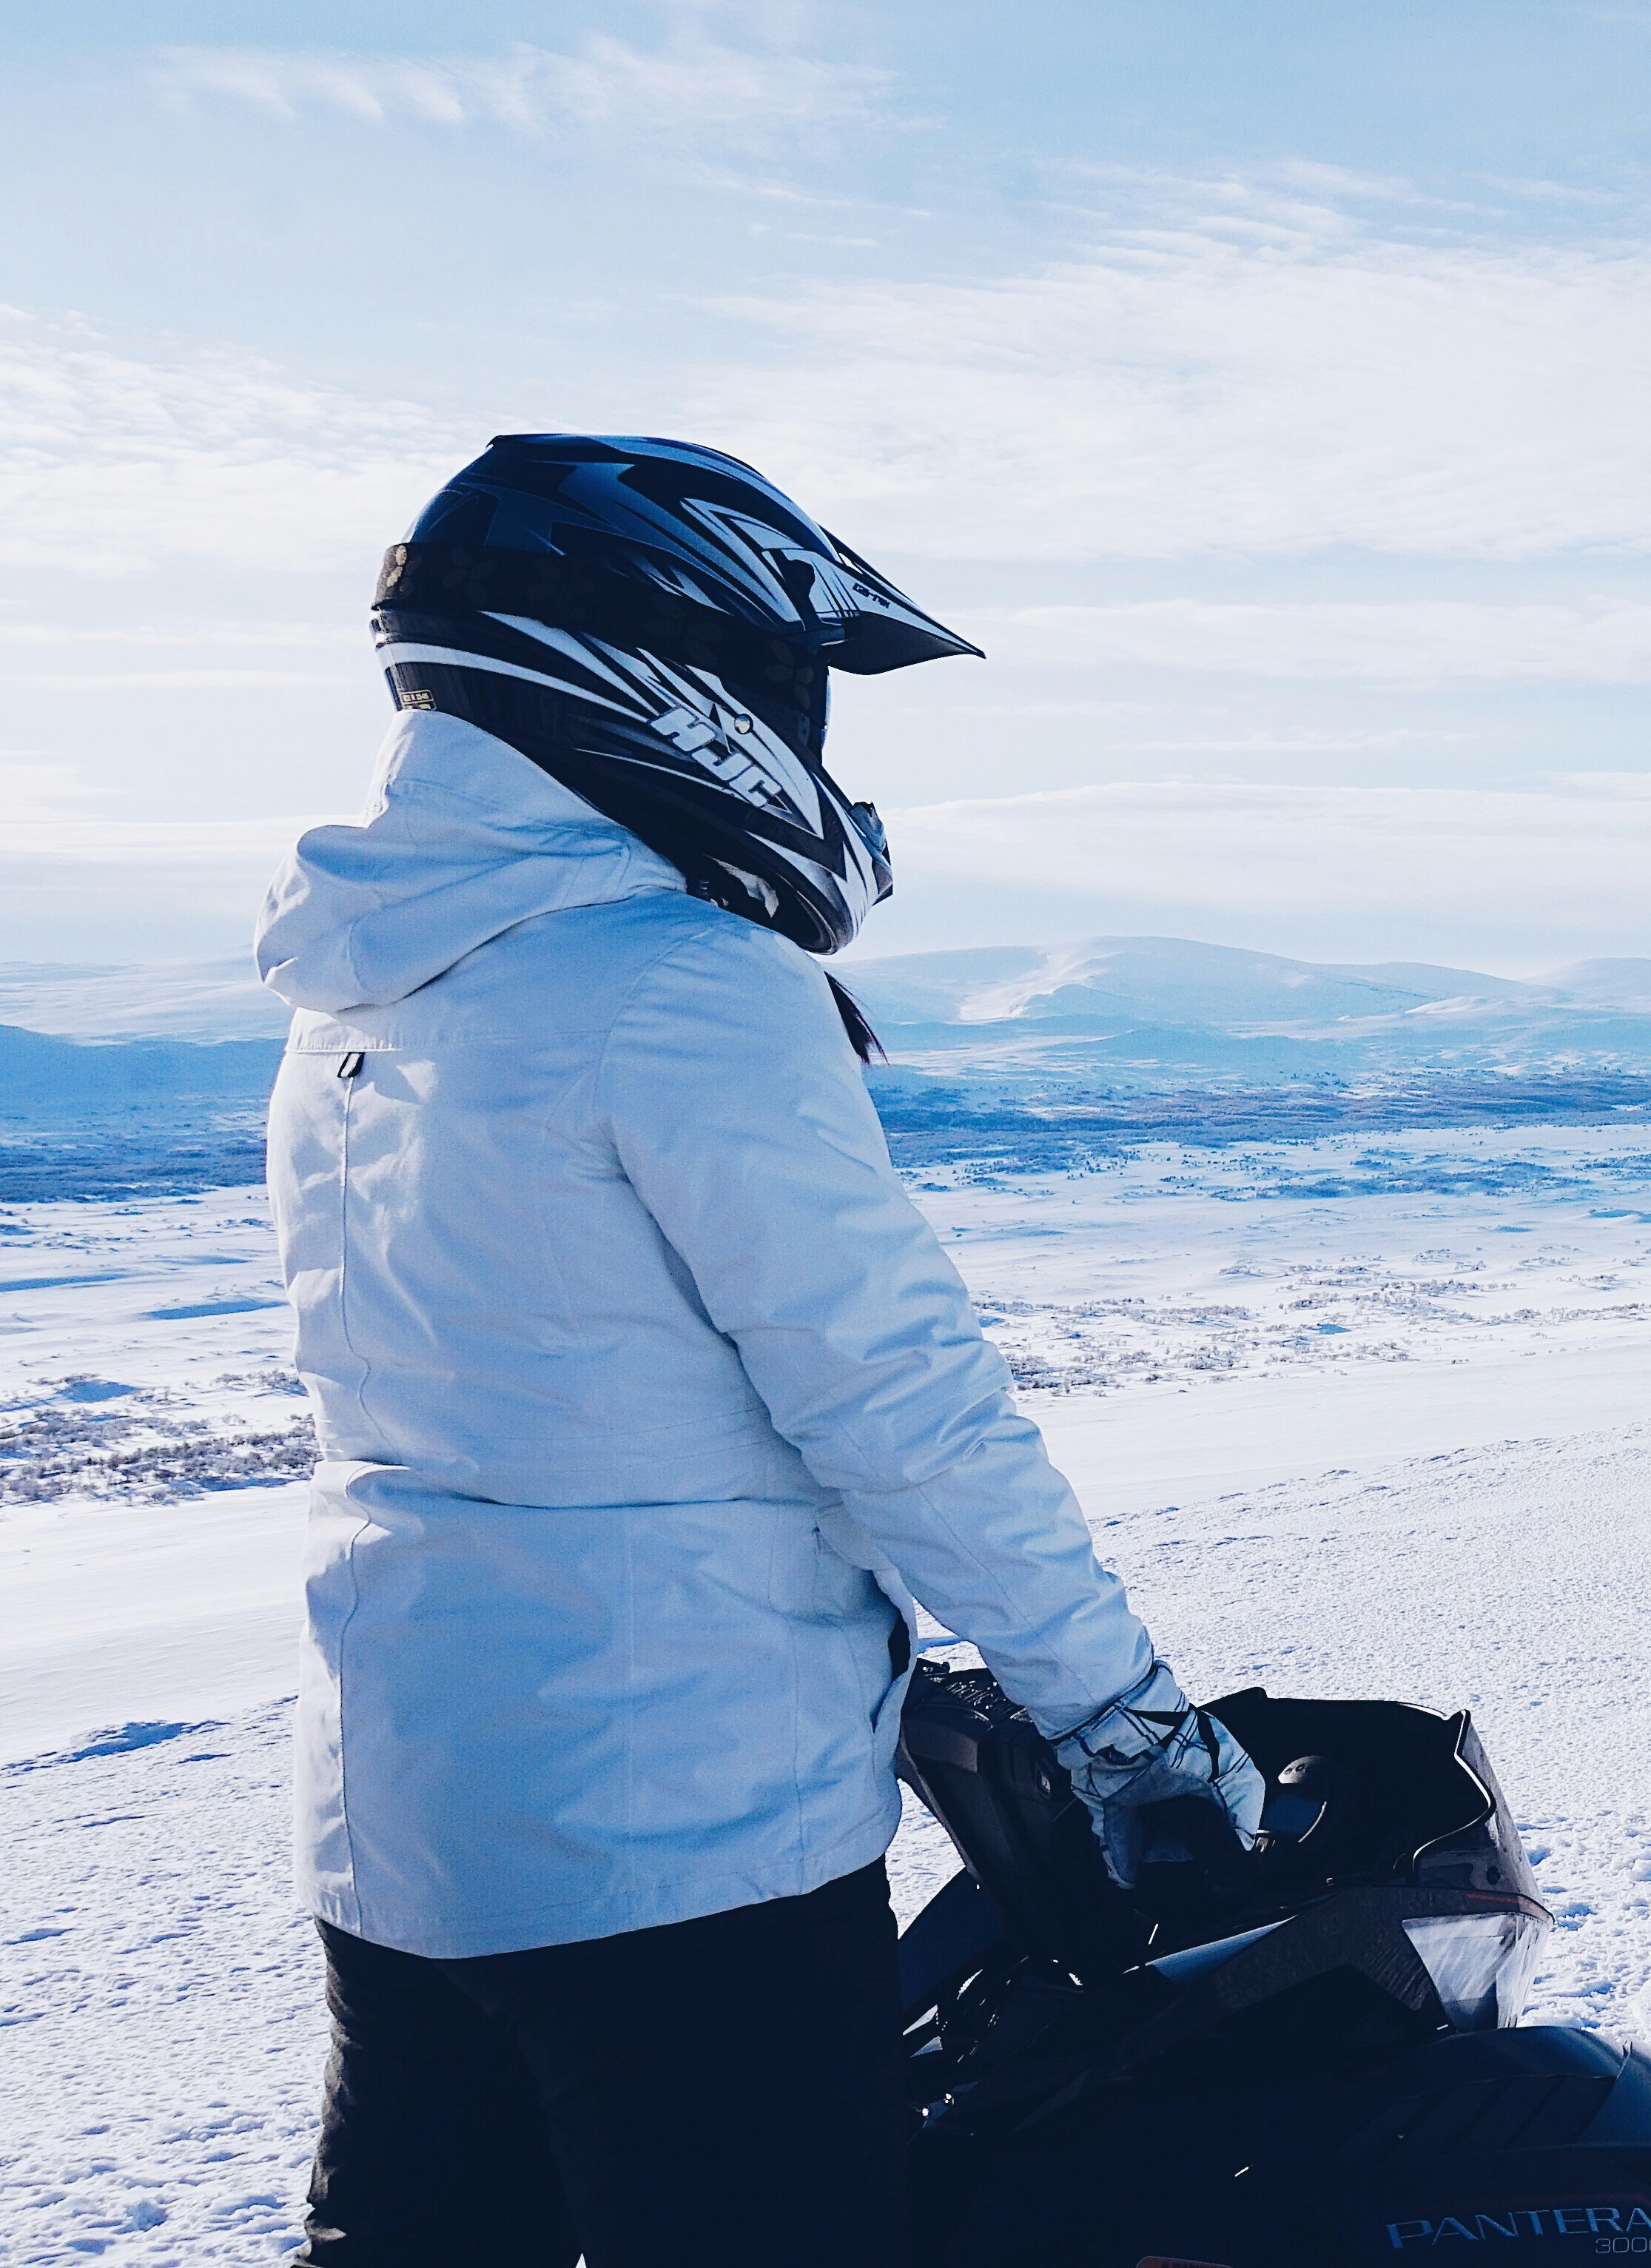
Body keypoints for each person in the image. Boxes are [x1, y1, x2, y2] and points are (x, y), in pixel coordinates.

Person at [256, 434, 1264, 2265]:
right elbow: (899, 1404)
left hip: (402, 1816)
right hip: (679, 1845)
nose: (806, 737)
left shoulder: (364, 988)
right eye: (788, 681)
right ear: (665, 670)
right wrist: (1122, 1723)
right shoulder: (680, 985)